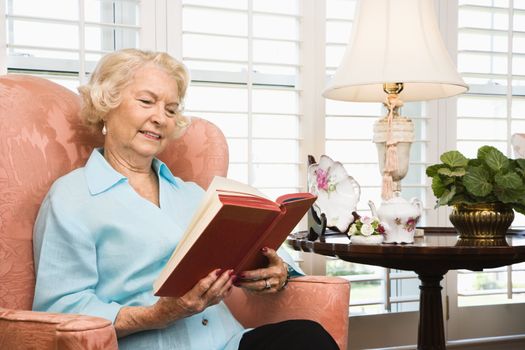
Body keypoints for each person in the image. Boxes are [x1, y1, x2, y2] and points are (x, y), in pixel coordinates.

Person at [32, 48, 338, 350]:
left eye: (170, 109)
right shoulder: (72, 198)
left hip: (229, 342)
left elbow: (247, 249)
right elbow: (59, 312)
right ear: (106, 104)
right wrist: (155, 315)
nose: (160, 118)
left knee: (307, 337)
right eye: (146, 102)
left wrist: (278, 271)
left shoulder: (191, 194)